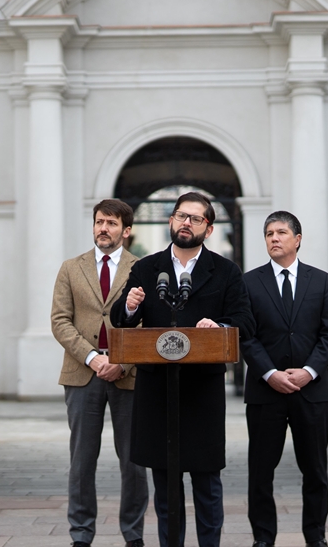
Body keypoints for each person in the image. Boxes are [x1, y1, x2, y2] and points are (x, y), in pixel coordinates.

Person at [110, 191, 254, 547]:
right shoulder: (145, 267)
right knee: (166, 485)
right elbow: (120, 322)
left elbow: (244, 322)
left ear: (208, 226)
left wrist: (218, 328)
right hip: (158, 392)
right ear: (171, 221)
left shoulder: (225, 271)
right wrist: (128, 307)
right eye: (179, 216)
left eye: (194, 218)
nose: (185, 223)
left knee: (206, 483)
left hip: (201, 392)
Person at [51, 199, 148, 547]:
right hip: (82, 373)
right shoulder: (70, 268)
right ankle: (81, 534)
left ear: (126, 229)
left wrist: (124, 362)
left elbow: (148, 324)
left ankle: (133, 533)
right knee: (81, 460)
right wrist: (93, 358)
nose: (103, 228)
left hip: (128, 374)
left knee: (134, 462)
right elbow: (60, 321)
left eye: (111, 223)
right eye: (99, 222)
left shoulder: (143, 269)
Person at [241, 211, 328, 547]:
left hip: (310, 392)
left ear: (297, 239)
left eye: (281, 232)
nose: (274, 238)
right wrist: (269, 373)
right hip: (265, 392)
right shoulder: (250, 282)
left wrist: (309, 371)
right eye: (269, 233)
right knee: (260, 473)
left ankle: (316, 537)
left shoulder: (320, 280)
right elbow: (246, 336)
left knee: (315, 471)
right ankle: (263, 539)